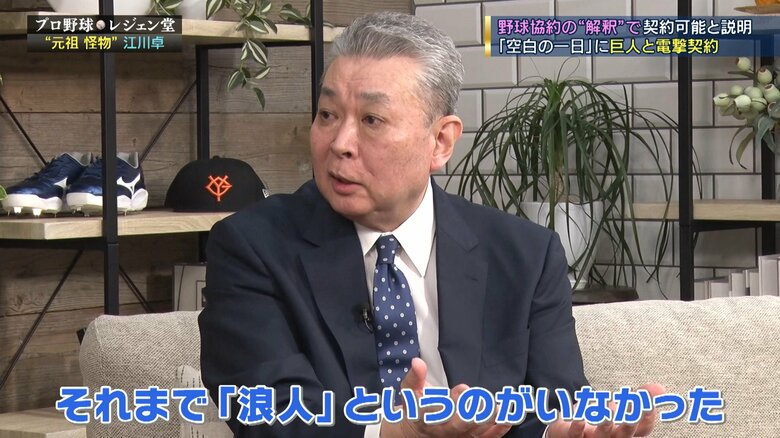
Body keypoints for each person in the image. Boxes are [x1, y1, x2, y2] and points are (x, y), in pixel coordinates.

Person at [199, 11, 663, 438]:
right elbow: (268, 412)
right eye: (327, 115)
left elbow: (554, 405)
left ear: (441, 141)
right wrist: (394, 432)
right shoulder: (252, 246)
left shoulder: (526, 255)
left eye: (372, 119)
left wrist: (560, 433)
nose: (340, 143)